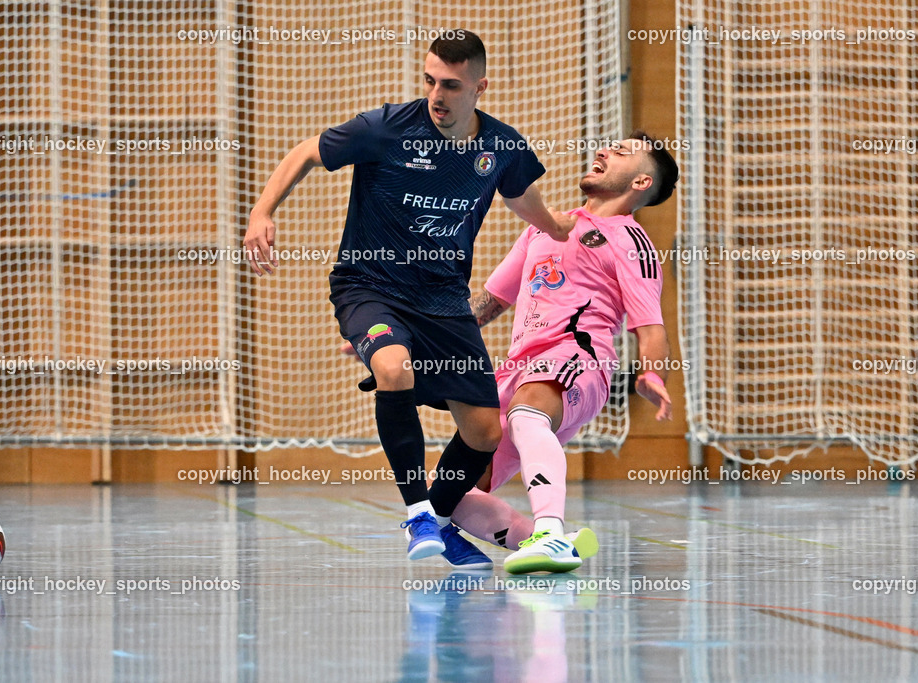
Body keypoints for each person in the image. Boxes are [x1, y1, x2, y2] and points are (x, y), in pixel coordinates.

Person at [244, 30, 576, 567]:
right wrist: (262, 212)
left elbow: (523, 198)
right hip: (370, 287)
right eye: (429, 81)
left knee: (486, 431)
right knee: (393, 367)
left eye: (451, 84)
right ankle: (418, 514)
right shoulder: (388, 128)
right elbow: (307, 151)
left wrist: (561, 227)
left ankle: (440, 521)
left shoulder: (501, 147)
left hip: (444, 301)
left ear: (479, 87)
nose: (437, 95)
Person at [447, 132, 680, 574]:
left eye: (622, 152)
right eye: (608, 146)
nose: (604, 151)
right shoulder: (545, 224)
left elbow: (651, 325)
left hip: (578, 358)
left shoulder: (632, 242)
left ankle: (549, 532)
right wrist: (413, 334)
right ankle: (553, 543)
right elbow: (489, 302)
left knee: (528, 413)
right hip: (518, 371)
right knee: (450, 492)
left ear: (641, 183)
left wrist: (653, 374)